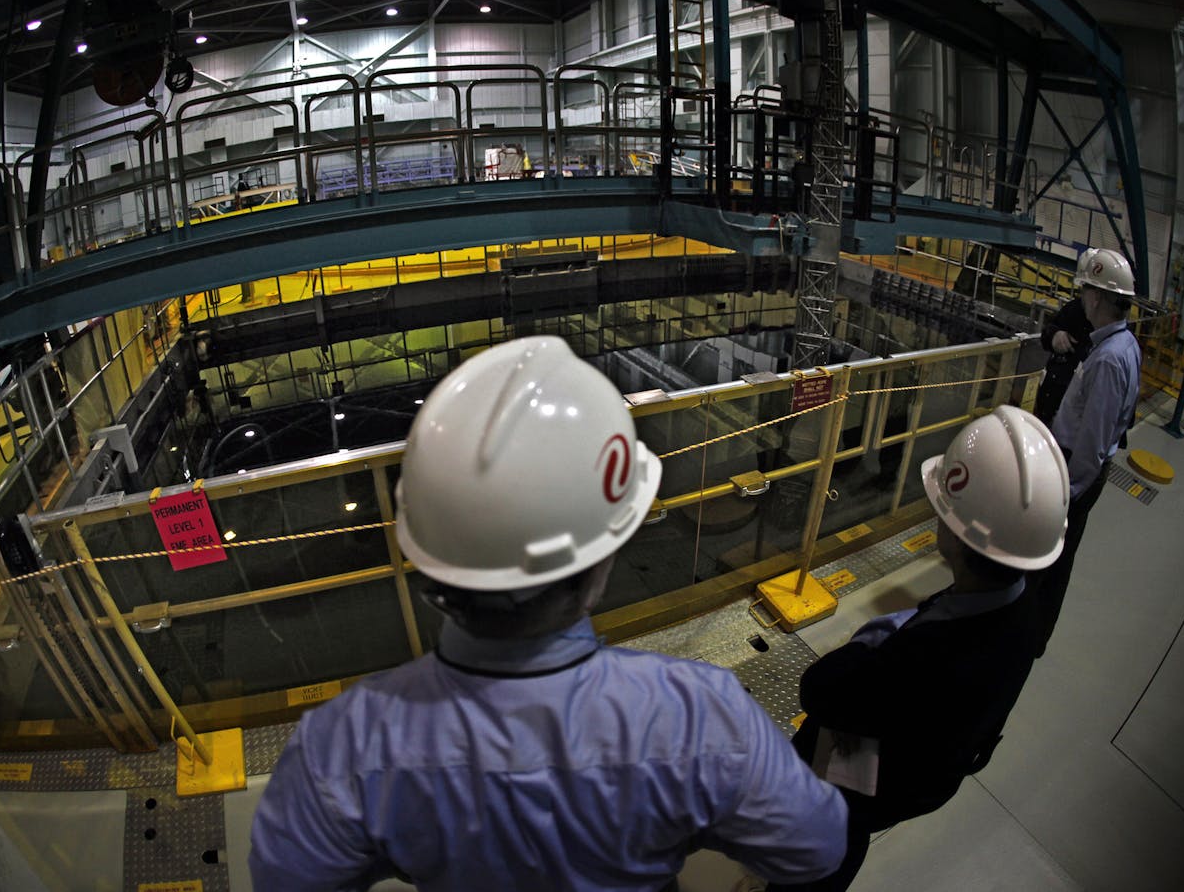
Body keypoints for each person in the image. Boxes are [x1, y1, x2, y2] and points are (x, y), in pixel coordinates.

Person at [249, 335, 848, 892]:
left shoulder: (340, 749)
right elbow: (816, 847)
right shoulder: (700, 718)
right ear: (604, 549)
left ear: (424, 553)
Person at [789, 405, 1069, 892]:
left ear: (959, 535)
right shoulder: (1024, 614)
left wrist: (869, 642)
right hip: (919, 781)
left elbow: (818, 691)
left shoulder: (926, 657)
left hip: (854, 798)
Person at [1029, 247, 1140, 657]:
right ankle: (1032, 635)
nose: (1083, 299)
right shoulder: (1123, 345)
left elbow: (1092, 441)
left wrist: (1066, 496)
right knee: (1054, 561)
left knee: (1052, 564)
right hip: (1075, 466)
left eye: (1087, 292)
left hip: (1073, 472)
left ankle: (1031, 639)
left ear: (1096, 297)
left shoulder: (1109, 359)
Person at [1034, 294, 1093, 428]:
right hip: (1050, 401)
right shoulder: (1075, 308)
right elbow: (1048, 332)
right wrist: (1054, 335)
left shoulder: (1109, 341)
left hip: (1073, 421)